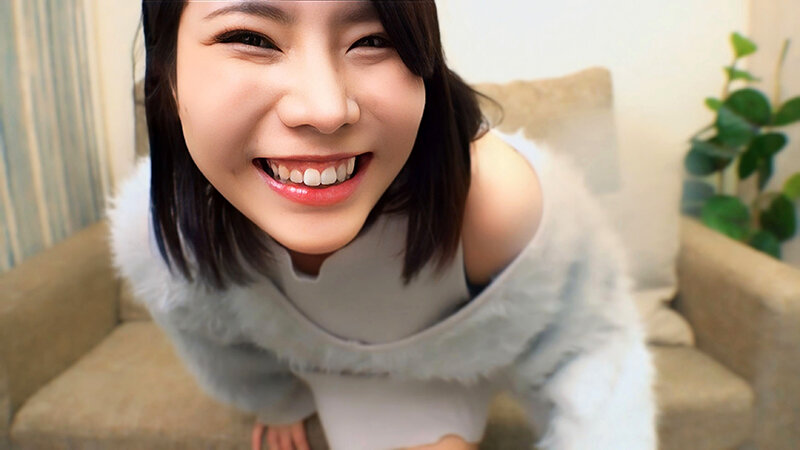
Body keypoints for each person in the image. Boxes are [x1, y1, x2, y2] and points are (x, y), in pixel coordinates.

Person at [108, 1, 657, 449]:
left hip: (442, 372)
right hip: (326, 375)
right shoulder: (158, 233)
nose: (326, 110)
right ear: (167, 74)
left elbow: (594, 354)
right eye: (251, 38)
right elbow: (214, 343)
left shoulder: (497, 201)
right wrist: (277, 401)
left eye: (374, 39)